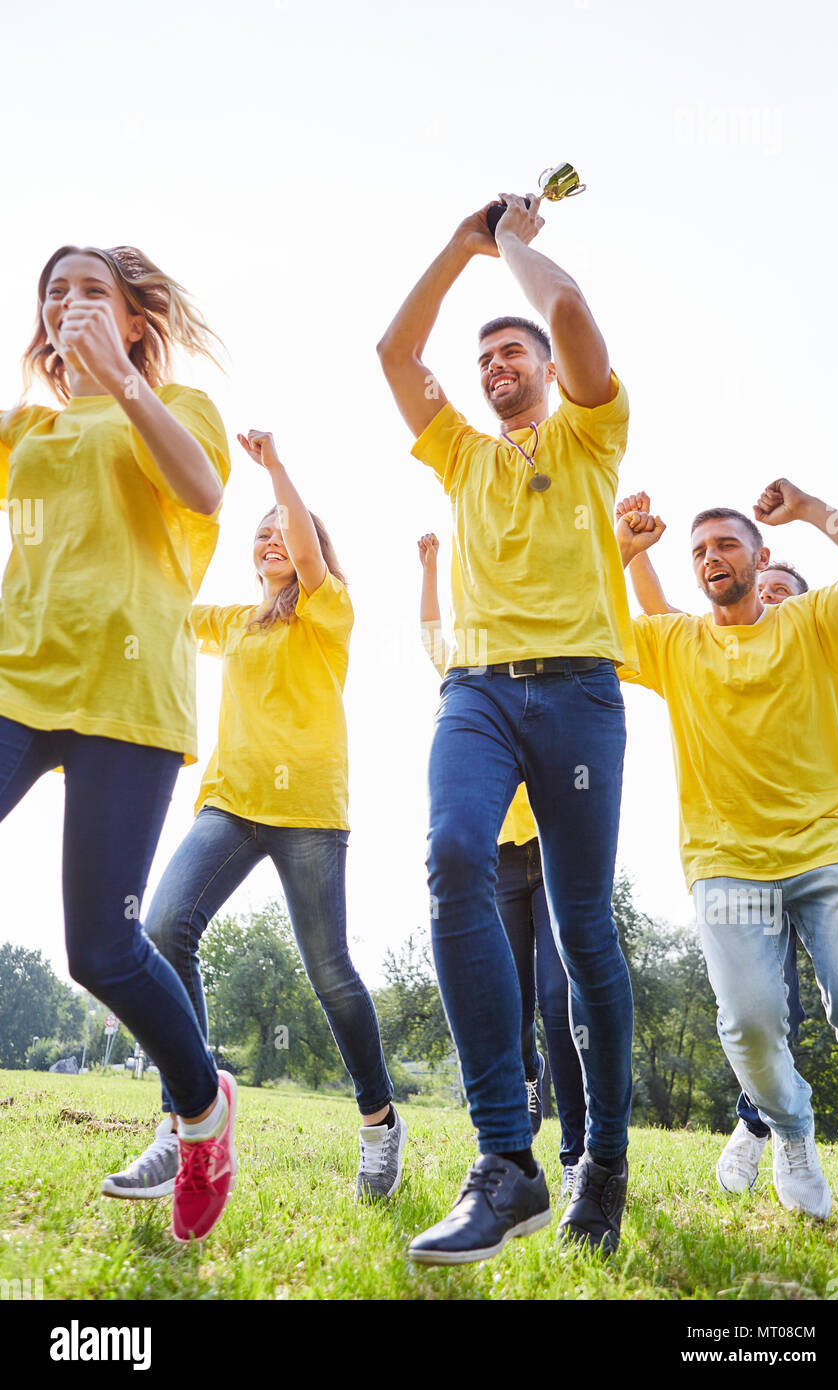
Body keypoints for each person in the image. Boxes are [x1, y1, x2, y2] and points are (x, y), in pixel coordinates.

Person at [378, 191, 635, 1265]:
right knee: (449, 856)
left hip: (577, 694)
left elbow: (569, 310)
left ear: (541, 368)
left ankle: (603, 1160)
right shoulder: (458, 456)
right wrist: (459, 246)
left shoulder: (587, 431)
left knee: (581, 933)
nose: (493, 367)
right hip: (476, 689)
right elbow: (394, 351)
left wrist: (516, 248)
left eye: (508, 352)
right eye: (481, 358)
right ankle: (504, 1159)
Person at [102, 429, 406, 1206]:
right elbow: (159, 600)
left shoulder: (326, 610)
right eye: (260, 530)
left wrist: (276, 470)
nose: (271, 537)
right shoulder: (237, 620)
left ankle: (379, 1125)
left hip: (307, 809)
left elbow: (307, 553)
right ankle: (188, 1118)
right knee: (165, 926)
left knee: (330, 973)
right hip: (231, 803)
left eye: (285, 529)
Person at [0, 244, 236, 1242]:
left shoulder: (178, 409)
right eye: (53, 292)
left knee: (99, 948)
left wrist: (125, 380)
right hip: (16, 680)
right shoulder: (25, 429)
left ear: (136, 319)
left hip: (127, 697)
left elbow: (202, 494)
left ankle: (201, 1111)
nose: (67, 303)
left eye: (90, 289)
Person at [615, 479, 838, 1275]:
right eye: (699, 552)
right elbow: (584, 613)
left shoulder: (815, 626)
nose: (711, 558)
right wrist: (627, 551)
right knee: (752, 1024)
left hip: (828, 846)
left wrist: (814, 509)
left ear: (761, 559)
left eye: (726, 544)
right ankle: (790, 1131)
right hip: (727, 862)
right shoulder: (678, 644)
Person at [417, 532, 588, 1197]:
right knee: (510, 1004)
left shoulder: (552, 662)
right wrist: (431, 567)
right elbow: (434, 636)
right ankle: (523, 1082)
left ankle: (576, 1156)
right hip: (499, 858)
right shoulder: (469, 677)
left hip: (552, 851)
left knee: (556, 996)